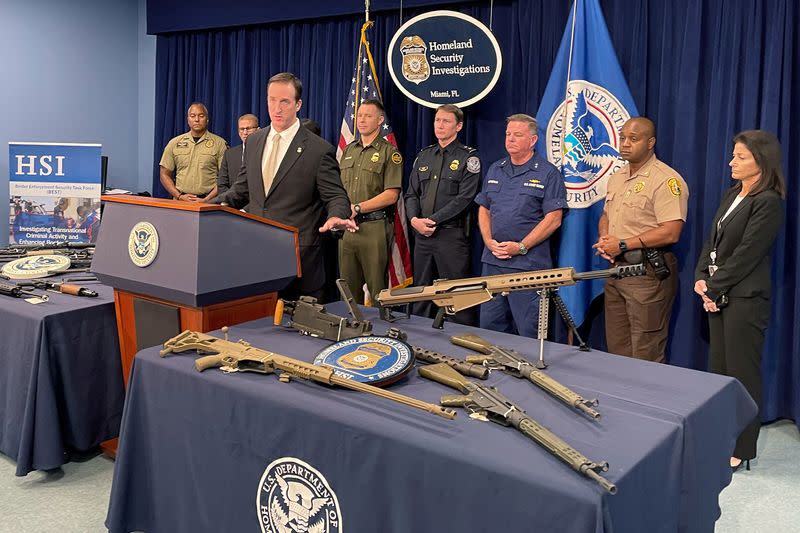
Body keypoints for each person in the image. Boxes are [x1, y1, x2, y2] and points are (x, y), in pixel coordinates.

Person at [216, 72, 356, 299]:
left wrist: (336, 215)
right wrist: (205, 207)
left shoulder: (318, 150)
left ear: (298, 104)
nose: (277, 108)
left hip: (299, 261)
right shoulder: (253, 141)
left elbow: (336, 196)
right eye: (272, 100)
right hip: (256, 256)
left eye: (284, 101)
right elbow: (241, 191)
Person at [694, 130, 785, 471]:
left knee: (742, 374)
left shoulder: (769, 201)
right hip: (718, 293)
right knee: (719, 373)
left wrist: (714, 288)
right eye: (733, 155)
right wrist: (702, 279)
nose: (732, 162)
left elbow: (748, 253)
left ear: (761, 161)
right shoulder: (732, 193)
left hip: (746, 299)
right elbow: (712, 240)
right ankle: (721, 436)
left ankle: (743, 447)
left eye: (741, 157)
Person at [593, 117, 688, 363]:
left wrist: (623, 244)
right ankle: (622, 400)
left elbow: (671, 231)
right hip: (615, 272)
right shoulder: (617, 176)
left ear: (650, 142)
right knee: (618, 350)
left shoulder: (666, 180)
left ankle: (646, 401)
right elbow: (606, 214)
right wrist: (605, 237)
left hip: (646, 275)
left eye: (633, 139)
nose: (625, 143)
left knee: (646, 353)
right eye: (623, 137)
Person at [474, 114, 567, 337]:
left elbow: (554, 219)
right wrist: (487, 241)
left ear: (533, 140)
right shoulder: (496, 168)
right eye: (508, 134)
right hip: (493, 262)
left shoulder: (548, 173)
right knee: (490, 328)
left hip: (528, 266)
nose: (510, 139)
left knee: (529, 331)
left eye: (518, 135)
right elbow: (484, 208)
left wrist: (522, 246)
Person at [405, 104, 481, 324]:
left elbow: (465, 199)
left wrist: (432, 220)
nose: (440, 125)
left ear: (458, 126)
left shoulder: (469, 158)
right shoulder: (424, 156)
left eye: (446, 121)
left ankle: (458, 344)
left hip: (451, 237)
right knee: (421, 293)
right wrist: (414, 220)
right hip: (421, 236)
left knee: (455, 294)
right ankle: (418, 340)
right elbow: (411, 194)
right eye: (437, 120)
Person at [337, 99, 402, 304]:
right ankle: (350, 332)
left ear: (380, 120)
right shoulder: (348, 150)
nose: (362, 120)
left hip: (374, 228)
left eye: (368, 116)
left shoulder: (389, 152)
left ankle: (379, 333)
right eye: (360, 115)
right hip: (348, 229)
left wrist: (358, 207)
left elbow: (392, 194)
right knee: (347, 291)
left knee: (377, 291)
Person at [159, 102, 227, 202]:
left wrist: (206, 199)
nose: (196, 119)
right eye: (192, 116)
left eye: (201, 116)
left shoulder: (220, 144)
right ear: (188, 120)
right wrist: (179, 196)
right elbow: (164, 174)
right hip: (180, 201)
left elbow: (225, 178)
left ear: (207, 120)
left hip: (209, 202)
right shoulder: (174, 143)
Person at [217, 114, 259, 197]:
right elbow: (222, 184)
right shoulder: (229, 154)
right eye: (241, 129)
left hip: (256, 206)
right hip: (232, 205)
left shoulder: (265, 151)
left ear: (258, 130)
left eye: (248, 128)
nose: (245, 133)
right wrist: (231, 203)